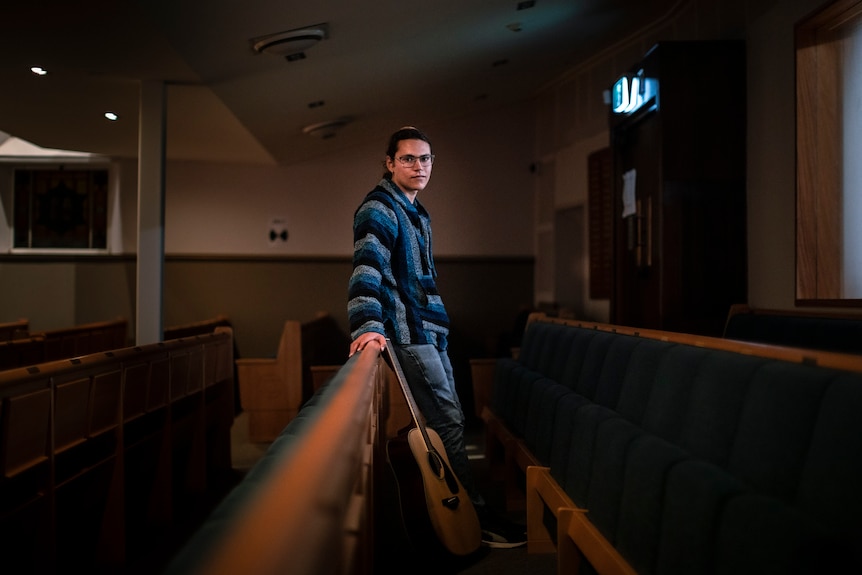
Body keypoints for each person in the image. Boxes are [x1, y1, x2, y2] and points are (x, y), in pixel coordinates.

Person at [347, 126, 526, 549]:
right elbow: (365, 269)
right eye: (408, 158)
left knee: (452, 419)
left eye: (425, 159)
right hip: (407, 334)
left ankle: (469, 507)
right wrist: (368, 326)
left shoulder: (418, 212)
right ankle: (474, 516)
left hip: (432, 331)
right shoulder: (379, 208)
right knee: (447, 421)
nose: (419, 166)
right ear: (390, 163)